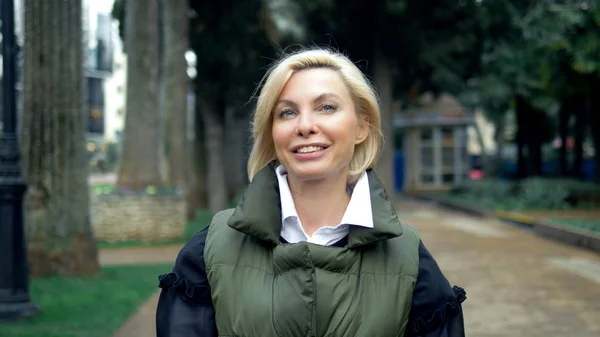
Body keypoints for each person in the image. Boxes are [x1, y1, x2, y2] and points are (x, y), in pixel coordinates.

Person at [155, 48, 467, 337]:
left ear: (361, 127)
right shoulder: (210, 250)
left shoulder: (409, 258)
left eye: (326, 107)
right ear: (272, 131)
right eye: (287, 113)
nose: (305, 125)